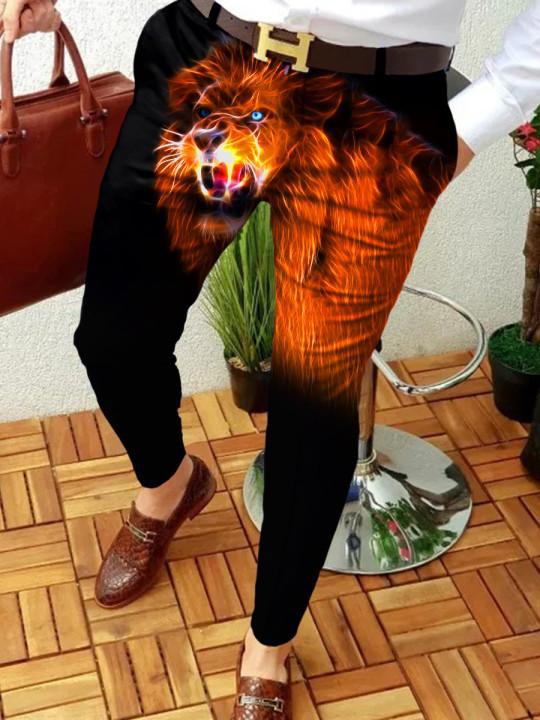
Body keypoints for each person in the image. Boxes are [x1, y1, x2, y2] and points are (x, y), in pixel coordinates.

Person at [2, 1, 539, 718]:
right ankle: (169, 485)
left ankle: (270, 643)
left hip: (373, 118)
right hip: (218, 68)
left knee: (313, 407)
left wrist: (483, 112)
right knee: (115, 336)